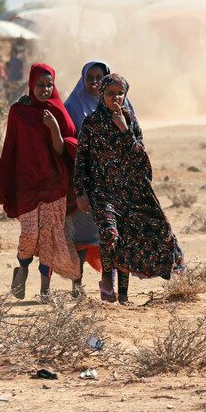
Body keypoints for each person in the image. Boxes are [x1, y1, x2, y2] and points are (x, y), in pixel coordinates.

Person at [73, 73, 185, 303]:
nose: (115, 98)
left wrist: (124, 129)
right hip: (102, 191)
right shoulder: (91, 123)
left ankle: (122, 295)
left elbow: (140, 158)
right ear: (102, 95)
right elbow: (81, 160)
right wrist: (81, 193)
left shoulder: (130, 120)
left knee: (127, 241)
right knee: (109, 235)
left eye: (120, 93)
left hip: (130, 191)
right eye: (110, 93)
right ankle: (106, 280)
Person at [0, 63, 80, 300]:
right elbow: (10, 147)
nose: (44, 89)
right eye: (40, 85)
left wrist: (54, 127)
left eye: (49, 85)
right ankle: (22, 269)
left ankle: (45, 289)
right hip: (27, 185)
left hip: (54, 185)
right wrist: (6, 182)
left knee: (49, 238)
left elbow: (63, 147)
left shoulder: (58, 111)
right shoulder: (18, 112)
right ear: (31, 85)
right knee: (30, 234)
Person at [63, 61, 136, 298]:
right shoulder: (73, 108)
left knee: (117, 239)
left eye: (99, 78)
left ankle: (115, 290)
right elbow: (76, 153)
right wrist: (81, 190)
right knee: (83, 239)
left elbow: (138, 151)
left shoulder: (127, 114)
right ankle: (78, 285)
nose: (94, 83)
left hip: (121, 187)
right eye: (90, 78)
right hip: (90, 186)